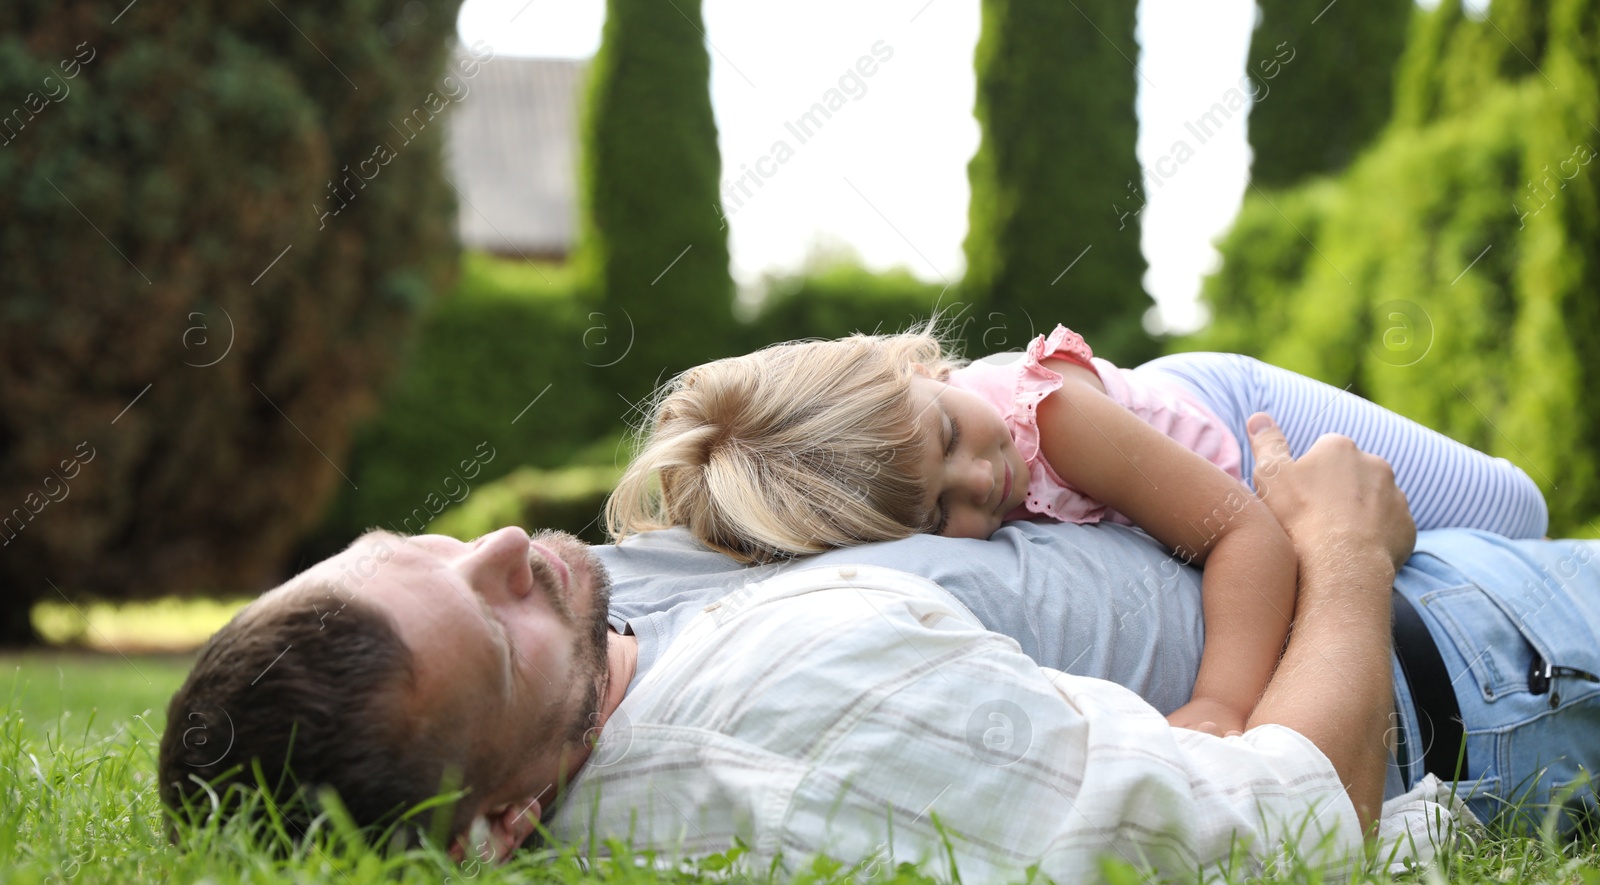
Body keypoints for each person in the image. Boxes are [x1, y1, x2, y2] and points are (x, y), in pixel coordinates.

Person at [158, 420, 1596, 885]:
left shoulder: (622, 695)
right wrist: (1342, 554)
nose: (500, 548)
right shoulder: (803, 707)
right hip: (1482, 663)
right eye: (495, 621)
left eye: (410, 542)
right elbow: (1284, 818)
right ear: (500, 822)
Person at [606, 328, 1548, 738]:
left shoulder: (1050, 417)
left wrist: (1224, 703)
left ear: (904, 370)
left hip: (1232, 411)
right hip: (1168, 450)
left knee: (1512, 515)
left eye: (946, 438)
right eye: (940, 515)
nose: (985, 480)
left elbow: (1245, 536)